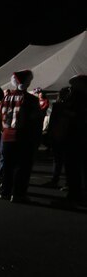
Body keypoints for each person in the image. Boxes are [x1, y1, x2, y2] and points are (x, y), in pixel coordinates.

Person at [0, 70, 42, 203]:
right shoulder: (31, 99)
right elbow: (36, 120)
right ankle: (18, 194)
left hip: (6, 137)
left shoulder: (5, 98)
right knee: (22, 167)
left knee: (8, 167)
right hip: (23, 137)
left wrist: (3, 131)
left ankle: (5, 191)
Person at [63, 75, 87, 203]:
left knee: (73, 166)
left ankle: (74, 194)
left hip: (75, 136)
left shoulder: (77, 97)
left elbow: (73, 113)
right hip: (79, 136)